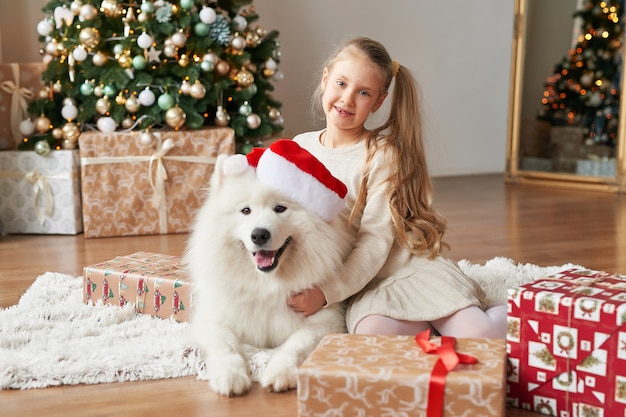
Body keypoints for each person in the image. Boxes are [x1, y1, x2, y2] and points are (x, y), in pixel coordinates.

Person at [287, 36, 507, 338]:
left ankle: (527, 310)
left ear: (379, 101)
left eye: (363, 92)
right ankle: (428, 328)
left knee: (479, 334)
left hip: (404, 270)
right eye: (341, 83)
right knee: (373, 339)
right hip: (367, 286)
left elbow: (374, 242)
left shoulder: (381, 153)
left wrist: (327, 292)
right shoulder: (299, 148)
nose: (347, 99)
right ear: (326, 79)